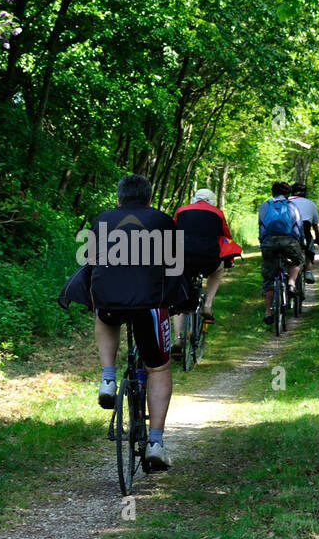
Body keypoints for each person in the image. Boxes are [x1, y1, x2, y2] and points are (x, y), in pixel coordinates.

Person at [89, 174, 179, 470]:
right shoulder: (163, 220)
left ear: (118, 199)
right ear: (150, 199)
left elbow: (92, 264)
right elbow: (174, 268)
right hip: (148, 306)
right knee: (159, 368)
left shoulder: (101, 219)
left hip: (110, 303)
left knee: (102, 310)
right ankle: (155, 442)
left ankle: (108, 377)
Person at [171, 189, 235, 349]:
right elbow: (226, 238)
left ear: (194, 199)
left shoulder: (182, 210)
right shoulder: (218, 214)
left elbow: (172, 232)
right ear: (212, 201)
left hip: (182, 259)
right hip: (208, 259)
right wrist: (229, 260)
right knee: (219, 267)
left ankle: (178, 339)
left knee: (179, 299)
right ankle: (207, 304)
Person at [258, 180, 303, 324]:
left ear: (273, 192)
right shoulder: (292, 206)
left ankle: (268, 312)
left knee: (269, 278)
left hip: (269, 243)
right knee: (297, 260)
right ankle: (291, 282)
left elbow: (261, 226)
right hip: (288, 241)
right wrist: (299, 242)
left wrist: (263, 242)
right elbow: (298, 227)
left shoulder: (265, 206)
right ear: (288, 194)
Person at [289, 182, 319, 283]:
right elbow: (315, 224)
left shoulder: (286, 202)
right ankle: (308, 271)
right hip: (304, 231)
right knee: (309, 248)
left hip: (287, 231)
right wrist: (318, 237)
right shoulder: (310, 203)